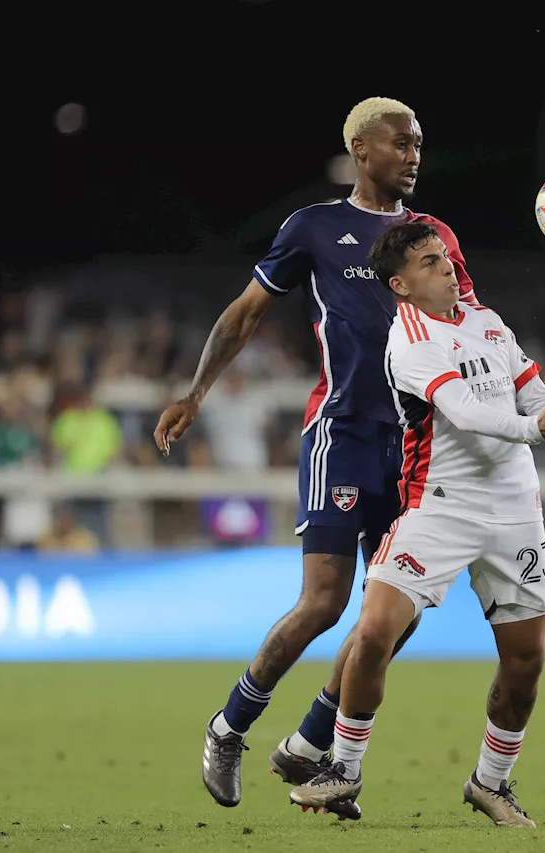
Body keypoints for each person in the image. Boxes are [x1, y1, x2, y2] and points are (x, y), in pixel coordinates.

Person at [153, 97, 480, 817]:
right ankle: (230, 727)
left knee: (399, 610)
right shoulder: (315, 228)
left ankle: (314, 742)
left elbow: (470, 327)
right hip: (342, 435)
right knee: (326, 602)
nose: (415, 155)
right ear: (363, 149)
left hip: (416, 447)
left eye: (421, 143)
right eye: (402, 143)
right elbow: (244, 313)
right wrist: (195, 394)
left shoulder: (434, 238)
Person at [287, 221, 545, 827]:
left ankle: (490, 783)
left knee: (526, 662)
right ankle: (343, 769)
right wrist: (539, 431)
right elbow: (466, 411)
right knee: (373, 630)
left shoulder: (488, 322)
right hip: (439, 505)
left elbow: (532, 392)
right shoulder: (409, 339)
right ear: (400, 285)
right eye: (429, 262)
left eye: (446, 256)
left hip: (515, 511)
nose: (447, 266)